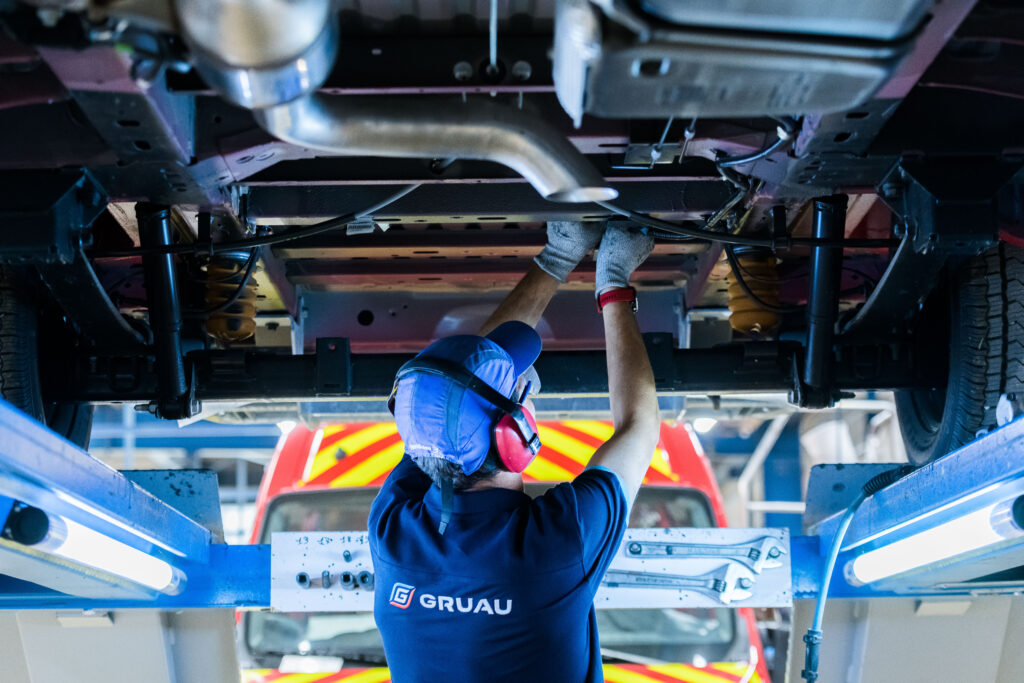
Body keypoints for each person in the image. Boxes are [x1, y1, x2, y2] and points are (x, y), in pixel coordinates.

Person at [368, 221, 661, 682]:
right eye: (523, 394)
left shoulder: (556, 540)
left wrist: (607, 279)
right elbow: (457, 387)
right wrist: (599, 275)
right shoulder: (389, 529)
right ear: (513, 435)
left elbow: (639, 428)